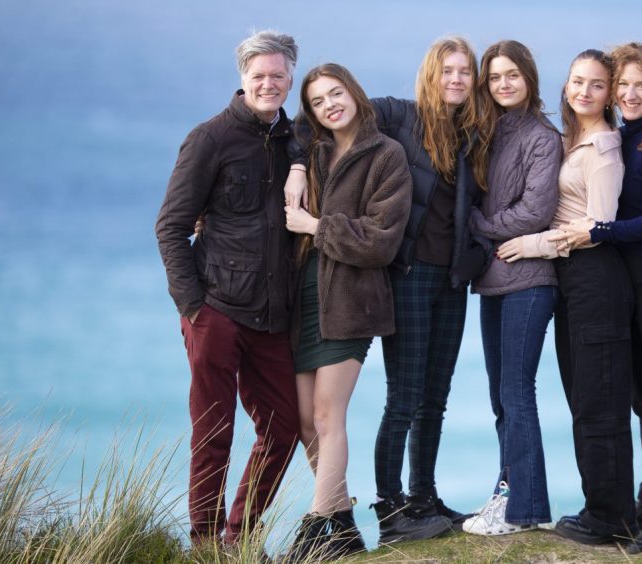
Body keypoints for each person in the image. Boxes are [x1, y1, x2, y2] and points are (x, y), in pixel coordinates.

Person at [284, 37, 489, 544]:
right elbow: (312, 121)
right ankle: (390, 507)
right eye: (448, 71)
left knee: (435, 398)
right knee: (404, 397)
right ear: (430, 75)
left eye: (465, 71)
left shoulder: (476, 132)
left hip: (452, 278)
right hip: (409, 273)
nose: (456, 80)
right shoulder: (399, 116)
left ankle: (424, 497)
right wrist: (293, 168)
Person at [154, 31, 301, 549]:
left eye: (278, 76)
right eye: (259, 75)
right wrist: (193, 307)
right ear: (243, 79)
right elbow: (170, 226)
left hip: (273, 315)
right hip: (215, 309)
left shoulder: (297, 140)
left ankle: (239, 537)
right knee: (213, 431)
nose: (269, 84)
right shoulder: (209, 139)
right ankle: (204, 542)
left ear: (291, 78)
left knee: (285, 429)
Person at [553, 42, 642, 554]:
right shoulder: (620, 137)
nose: (630, 94)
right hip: (634, 284)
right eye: (623, 86)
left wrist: (596, 231)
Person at [498, 49, 636, 545]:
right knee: (583, 397)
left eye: (596, 85)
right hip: (573, 282)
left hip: (596, 278)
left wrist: (532, 243)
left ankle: (610, 518)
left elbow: (598, 227)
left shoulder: (603, 149)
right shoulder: (570, 139)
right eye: (577, 81)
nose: (583, 91)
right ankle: (600, 506)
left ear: (608, 94)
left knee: (600, 400)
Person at [282, 63, 412, 560]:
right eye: (318, 101)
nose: (330, 104)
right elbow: (286, 132)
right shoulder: (311, 151)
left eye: (337, 93)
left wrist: (315, 226)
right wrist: (295, 167)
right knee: (303, 421)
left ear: (354, 93)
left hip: (353, 299)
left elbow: (380, 240)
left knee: (327, 413)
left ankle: (315, 528)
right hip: (305, 300)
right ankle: (342, 531)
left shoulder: (387, 155)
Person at [461, 39, 562, 536]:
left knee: (517, 392)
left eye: (512, 75)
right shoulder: (486, 130)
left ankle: (523, 508)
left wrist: (476, 222)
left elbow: (535, 213)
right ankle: (509, 493)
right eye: (495, 77)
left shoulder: (544, 137)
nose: (503, 84)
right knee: (502, 396)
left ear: (529, 77)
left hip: (530, 282)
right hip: (492, 281)